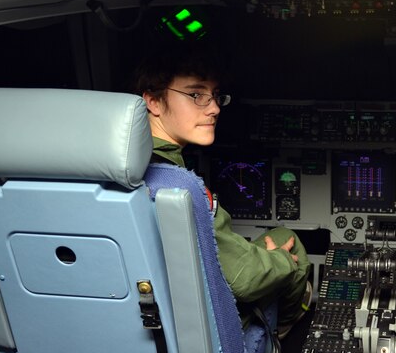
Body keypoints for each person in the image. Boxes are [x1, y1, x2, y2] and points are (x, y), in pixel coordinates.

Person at [133, 47, 311, 336]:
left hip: (150, 324)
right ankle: (276, 335)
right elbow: (246, 278)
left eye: (215, 95)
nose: (214, 107)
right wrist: (282, 262)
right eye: (196, 94)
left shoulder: (107, 172)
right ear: (153, 100)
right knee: (285, 240)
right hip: (204, 331)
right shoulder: (179, 187)